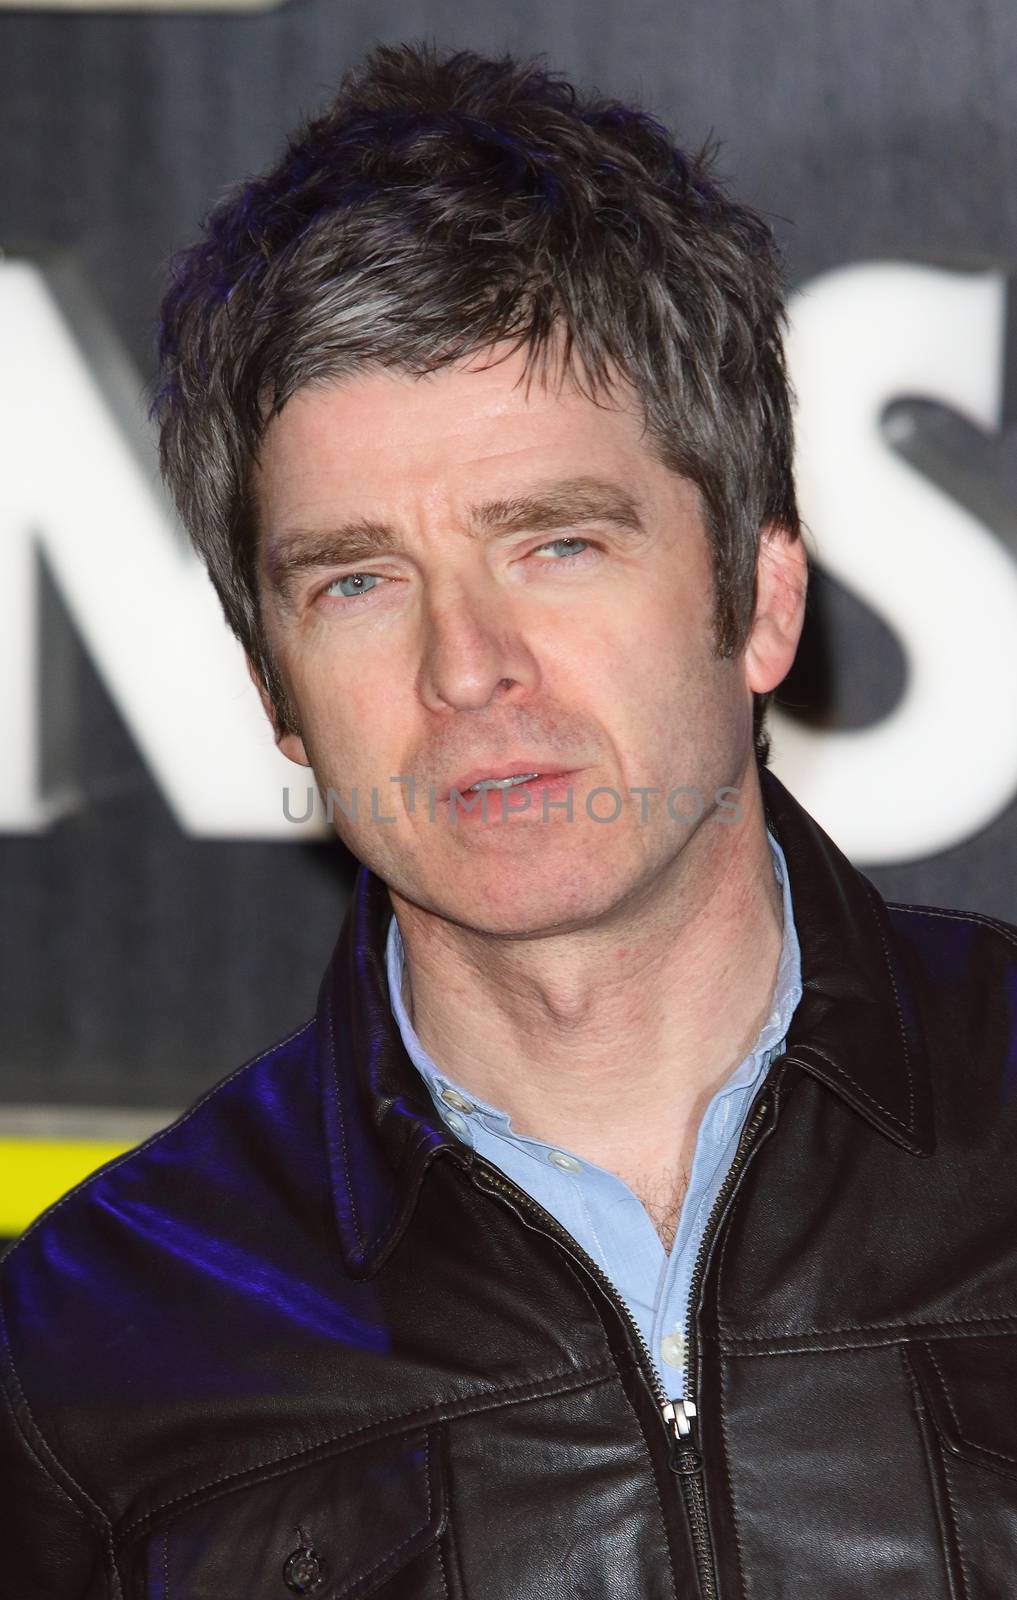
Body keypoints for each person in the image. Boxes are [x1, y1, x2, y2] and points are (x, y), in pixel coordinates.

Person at [3, 40, 1017, 1600]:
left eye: (552, 543)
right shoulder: (80, 1356)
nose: (466, 668)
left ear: (760, 603)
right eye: (355, 579)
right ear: (278, 693)